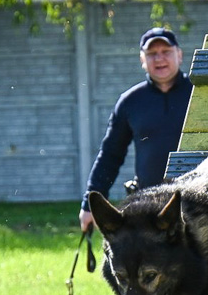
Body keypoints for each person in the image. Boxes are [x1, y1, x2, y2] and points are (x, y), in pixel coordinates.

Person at [79, 27, 194, 231]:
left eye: (166, 52)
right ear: (142, 60)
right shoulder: (130, 102)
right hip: (150, 208)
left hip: (198, 201)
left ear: (179, 55)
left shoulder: (200, 93)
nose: (159, 59)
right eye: (152, 54)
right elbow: (110, 155)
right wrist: (89, 205)